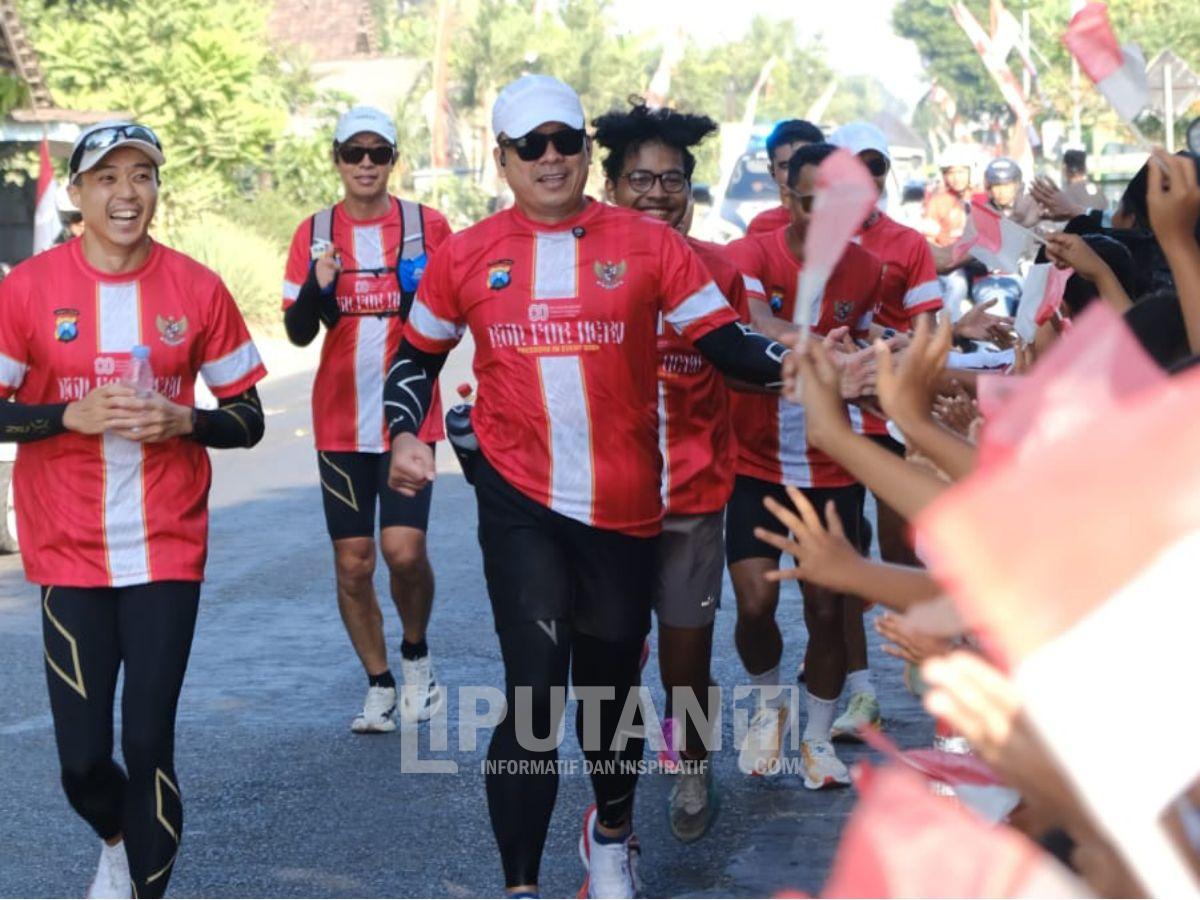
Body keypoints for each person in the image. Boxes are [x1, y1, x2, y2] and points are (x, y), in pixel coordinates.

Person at [384, 74, 787, 899]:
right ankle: (522, 885)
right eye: (531, 145)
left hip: (630, 505)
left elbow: (734, 348)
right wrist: (402, 431)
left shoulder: (652, 247)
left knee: (611, 692)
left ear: (582, 152)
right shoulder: (468, 253)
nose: (551, 158)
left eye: (565, 140)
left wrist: (817, 365)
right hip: (518, 498)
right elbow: (415, 356)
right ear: (502, 159)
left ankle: (611, 831)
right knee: (534, 690)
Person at [0, 121, 267, 898]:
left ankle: (147, 887)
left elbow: (247, 417)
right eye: (107, 178)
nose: (127, 193)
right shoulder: (29, 289)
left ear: (156, 189)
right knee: (83, 761)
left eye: (142, 176)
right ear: (78, 193)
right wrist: (62, 417)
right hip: (66, 550)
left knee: (149, 741)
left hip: (166, 548)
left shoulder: (196, 288)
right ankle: (117, 838)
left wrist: (189, 420)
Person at [593, 98, 753, 842]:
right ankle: (615, 806)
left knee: (685, 663)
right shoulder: (586, 267)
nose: (656, 193)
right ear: (611, 187)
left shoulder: (722, 272)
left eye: (671, 180)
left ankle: (691, 762)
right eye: (639, 179)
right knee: (613, 664)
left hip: (692, 496)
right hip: (601, 504)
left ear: (691, 188)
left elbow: (748, 365)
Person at [282, 106, 452, 733]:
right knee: (354, 562)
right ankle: (379, 682)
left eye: (378, 153)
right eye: (354, 153)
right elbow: (299, 333)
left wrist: (415, 293)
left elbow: (452, 316)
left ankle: (416, 656)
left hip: (410, 416)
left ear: (392, 162)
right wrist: (316, 289)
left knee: (402, 551)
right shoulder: (314, 231)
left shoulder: (427, 225)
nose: (366, 165)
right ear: (336, 159)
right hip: (338, 420)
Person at [723, 141, 883, 789]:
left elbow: (869, 341)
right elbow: (756, 322)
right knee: (755, 601)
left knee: (825, 610)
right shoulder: (750, 256)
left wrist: (880, 358)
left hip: (832, 470)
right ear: (787, 199)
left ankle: (817, 738)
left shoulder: (867, 269)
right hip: (756, 462)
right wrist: (824, 349)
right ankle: (769, 707)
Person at [827, 122, 943, 739]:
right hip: (828, 421)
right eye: (854, 165)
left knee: (900, 550)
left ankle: (931, 655)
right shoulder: (796, 236)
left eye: (876, 166)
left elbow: (930, 327)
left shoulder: (908, 243)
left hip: (895, 417)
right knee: (845, 552)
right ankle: (859, 689)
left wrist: (887, 344)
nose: (866, 177)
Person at [745, 119, 824, 236]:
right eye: (786, 166)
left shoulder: (847, 220)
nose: (796, 173)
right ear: (772, 172)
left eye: (805, 163)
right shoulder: (761, 227)